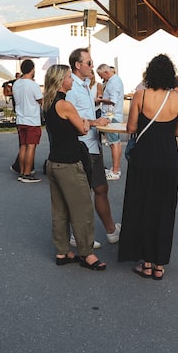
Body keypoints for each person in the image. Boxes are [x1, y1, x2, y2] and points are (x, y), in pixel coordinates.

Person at [118, 54, 178, 280]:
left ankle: (145, 262)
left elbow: (131, 127)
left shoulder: (141, 95)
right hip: (168, 158)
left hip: (144, 157)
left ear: (149, 73)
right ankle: (159, 264)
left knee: (143, 207)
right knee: (165, 209)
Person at [42, 64, 105, 271]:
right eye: (69, 77)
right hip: (69, 163)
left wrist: (82, 121)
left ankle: (62, 251)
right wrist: (89, 122)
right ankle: (87, 254)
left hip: (53, 162)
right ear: (61, 81)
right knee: (82, 210)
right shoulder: (65, 104)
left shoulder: (48, 102)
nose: (71, 80)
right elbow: (82, 130)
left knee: (59, 210)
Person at [66, 48, 119, 245]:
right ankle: (78, 236)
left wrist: (98, 122)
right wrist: (96, 122)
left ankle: (111, 230)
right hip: (83, 146)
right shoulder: (71, 87)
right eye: (88, 63)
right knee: (83, 193)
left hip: (93, 144)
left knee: (101, 188)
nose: (92, 66)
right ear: (78, 65)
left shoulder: (86, 84)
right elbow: (70, 117)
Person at [13, 59, 43, 183]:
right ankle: (27, 172)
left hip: (21, 118)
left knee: (23, 146)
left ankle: (22, 170)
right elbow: (41, 100)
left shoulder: (17, 84)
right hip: (32, 119)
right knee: (31, 146)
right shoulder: (33, 84)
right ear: (32, 69)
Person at [96, 64, 125, 181]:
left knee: (114, 143)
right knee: (115, 143)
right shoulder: (115, 81)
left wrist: (100, 99)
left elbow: (113, 100)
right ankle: (115, 168)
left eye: (101, 75)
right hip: (113, 115)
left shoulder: (113, 83)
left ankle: (115, 171)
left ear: (106, 72)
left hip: (111, 116)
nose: (102, 78)